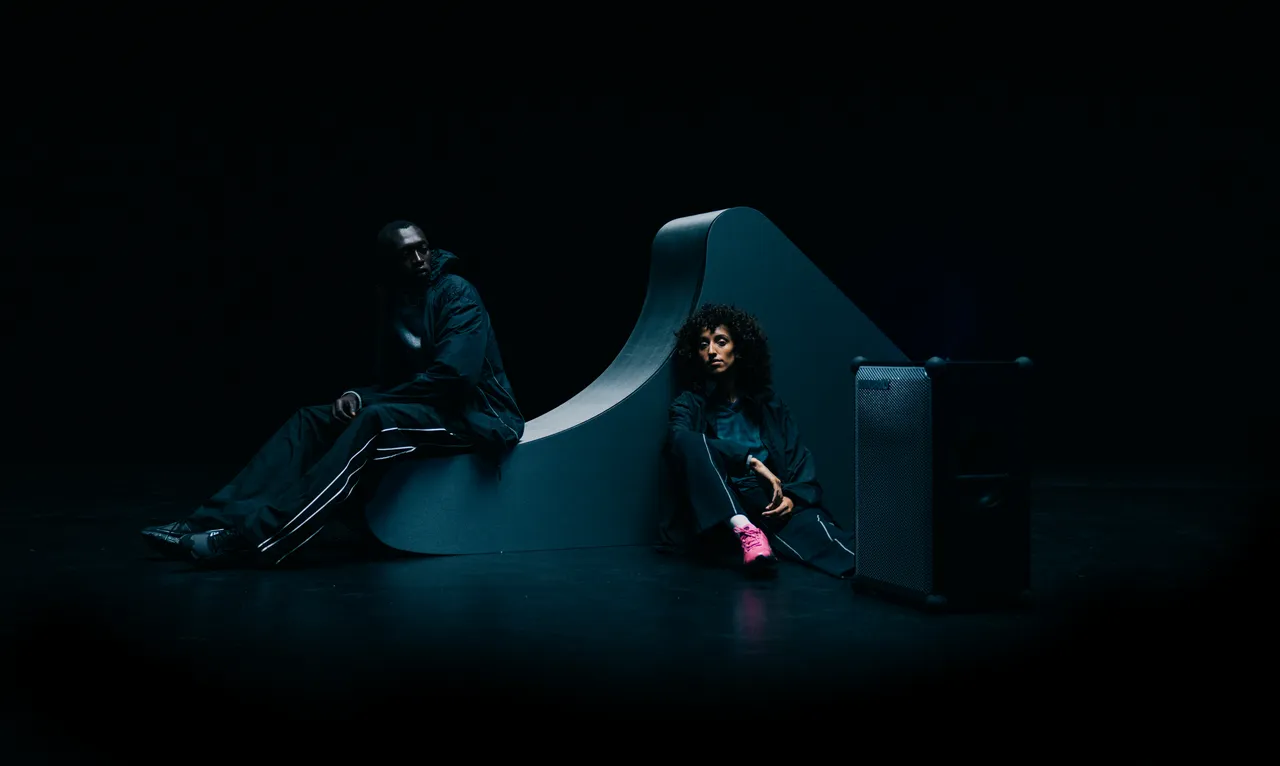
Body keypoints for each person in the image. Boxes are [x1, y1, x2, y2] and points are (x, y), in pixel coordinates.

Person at [140, 220, 525, 567]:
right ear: (388, 263)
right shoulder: (394, 300)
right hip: (426, 409)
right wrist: (357, 394)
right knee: (311, 420)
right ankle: (205, 522)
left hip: (475, 417)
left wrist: (369, 402)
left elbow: (453, 378)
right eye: (406, 254)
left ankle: (254, 538)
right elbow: (392, 381)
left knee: (374, 420)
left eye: (423, 248)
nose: (420, 259)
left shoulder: (455, 292)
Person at [661, 303, 857, 578]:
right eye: (703, 344)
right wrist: (748, 460)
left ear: (739, 349)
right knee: (689, 441)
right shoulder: (690, 405)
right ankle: (746, 530)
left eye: (720, 341)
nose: (711, 351)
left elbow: (798, 458)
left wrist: (791, 498)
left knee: (842, 551)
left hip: (771, 500)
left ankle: (897, 574)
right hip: (726, 507)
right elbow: (679, 441)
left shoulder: (769, 404)